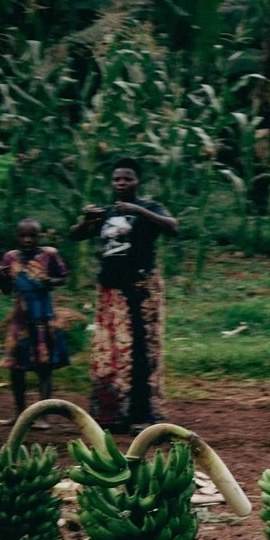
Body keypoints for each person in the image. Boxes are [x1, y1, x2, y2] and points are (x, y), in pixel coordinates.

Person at [71, 160, 177, 431]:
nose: (121, 183)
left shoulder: (150, 208)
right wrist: (87, 221)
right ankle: (113, 414)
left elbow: (173, 226)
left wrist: (138, 210)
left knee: (141, 350)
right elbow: (75, 235)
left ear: (137, 181)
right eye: (117, 179)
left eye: (127, 179)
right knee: (113, 351)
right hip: (111, 290)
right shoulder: (107, 213)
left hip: (140, 290)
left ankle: (142, 414)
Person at [0, 220, 69, 415]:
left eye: (32, 236)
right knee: (16, 368)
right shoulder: (10, 258)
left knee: (44, 367)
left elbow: (63, 277)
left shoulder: (49, 255)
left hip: (44, 317)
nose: (27, 240)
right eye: (23, 236)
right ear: (16, 237)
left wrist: (50, 281)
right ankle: (20, 414)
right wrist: (0, 276)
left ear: (40, 236)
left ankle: (43, 415)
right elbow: (5, 290)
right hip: (20, 320)